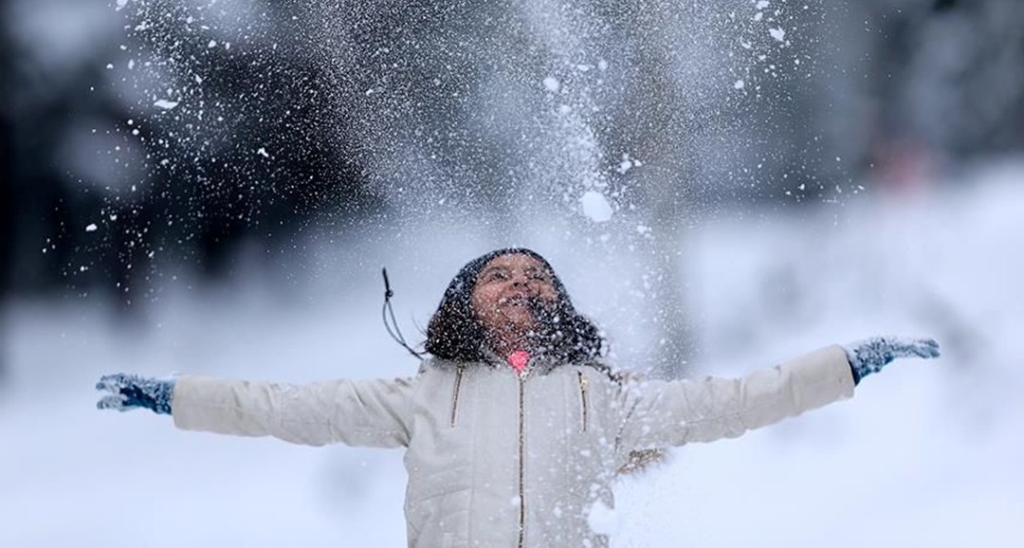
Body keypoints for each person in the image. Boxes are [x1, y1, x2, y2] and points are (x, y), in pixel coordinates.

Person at [96, 247, 939, 547]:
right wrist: (175, 396)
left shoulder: (602, 399)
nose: (520, 284)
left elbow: (735, 400)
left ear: (559, 305)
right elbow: (279, 405)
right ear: (464, 301)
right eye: (499, 274)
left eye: (538, 276)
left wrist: (846, 365)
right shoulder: (419, 395)